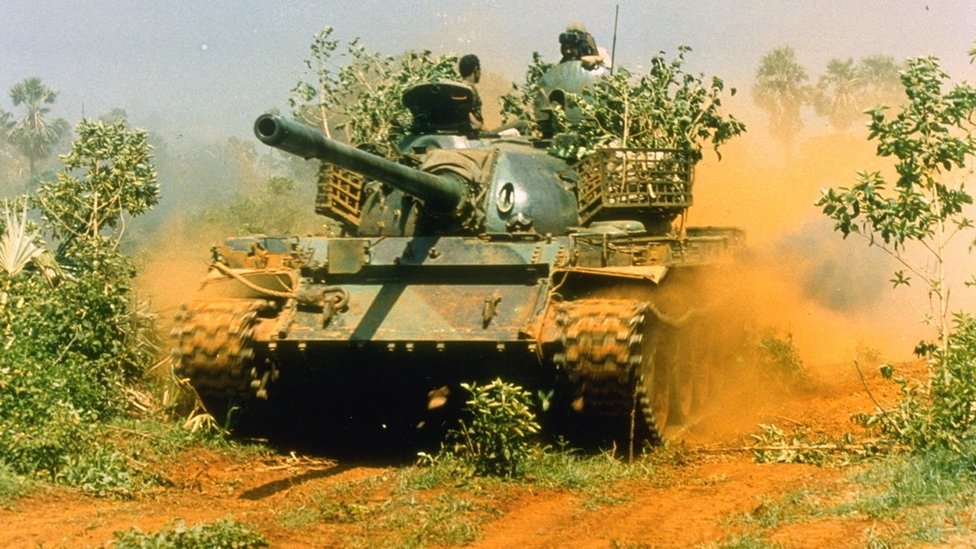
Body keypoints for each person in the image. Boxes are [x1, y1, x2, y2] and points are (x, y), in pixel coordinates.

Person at [458, 53, 484, 131]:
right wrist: (479, 126)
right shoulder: (468, 89)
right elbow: (464, 111)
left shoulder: (459, 86)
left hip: (475, 132)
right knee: (521, 123)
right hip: (478, 133)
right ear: (476, 70)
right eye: (480, 69)